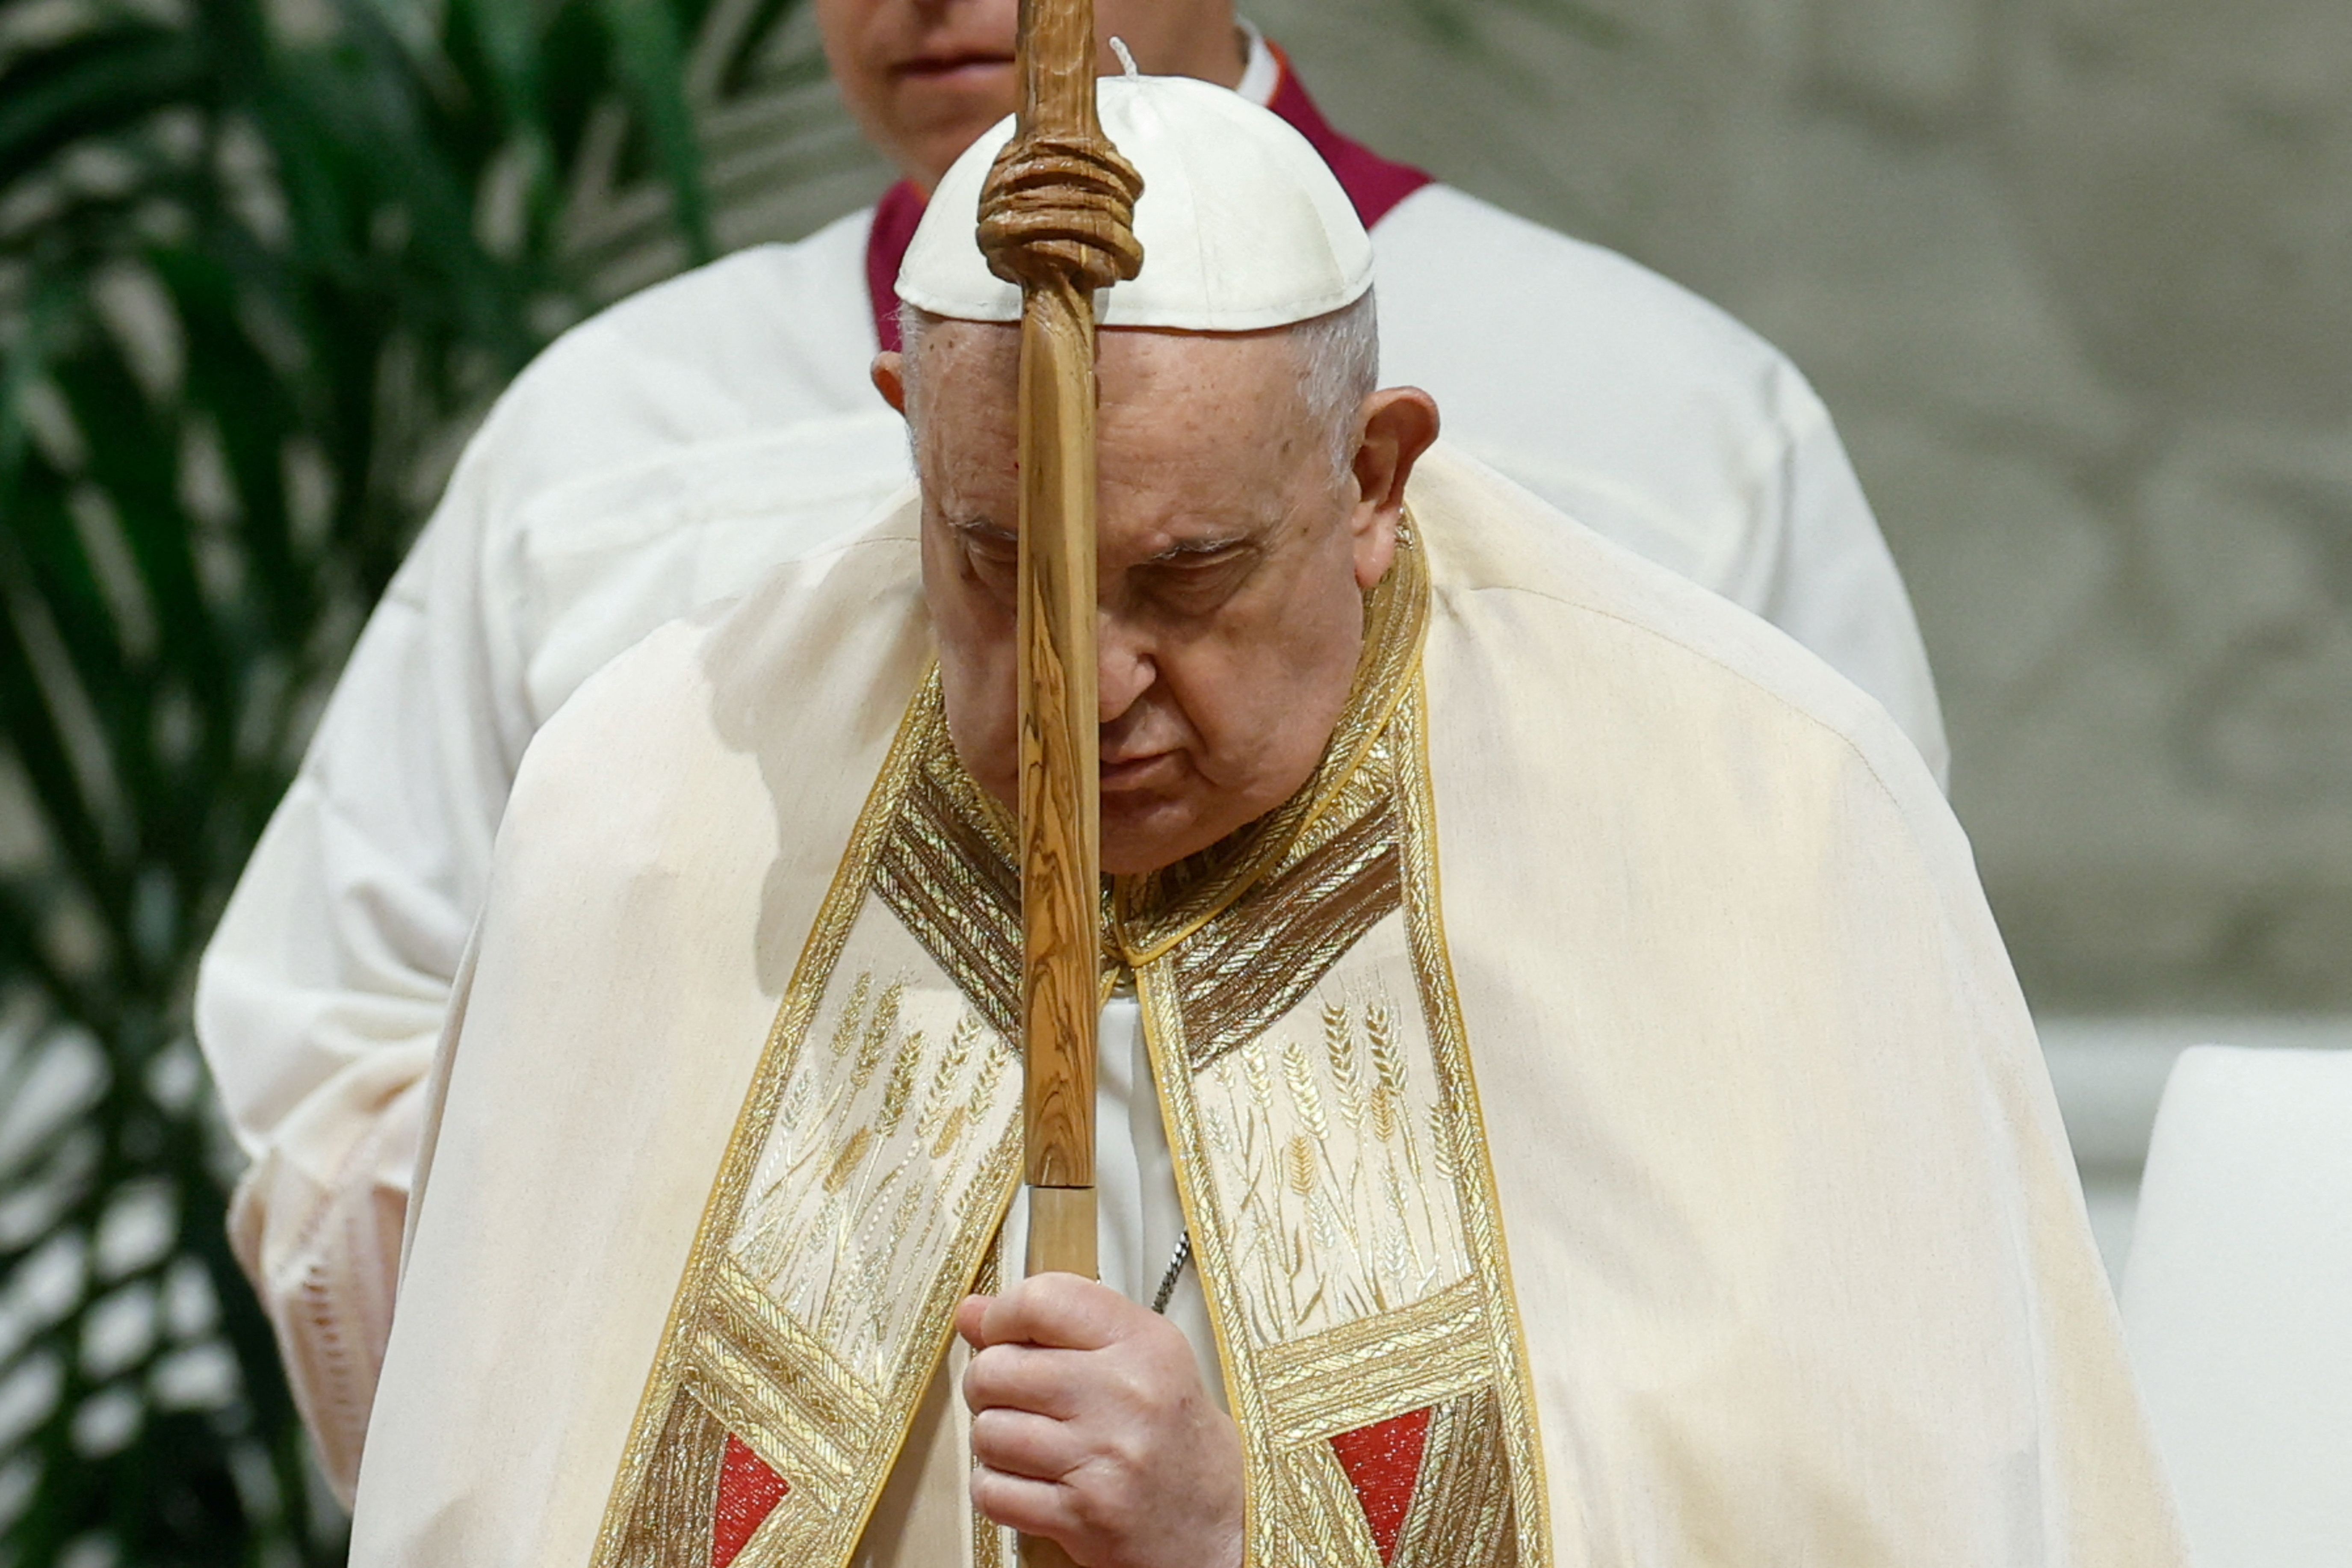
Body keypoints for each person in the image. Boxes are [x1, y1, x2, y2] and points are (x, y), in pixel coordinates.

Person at [346, 76, 2175, 1568]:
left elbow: (1864, 1504)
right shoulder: (662, 798)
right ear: (906, 433)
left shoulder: (1755, 804)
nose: (1088, 690)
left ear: (1372, 475)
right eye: (995, 566)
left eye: (1187, 575)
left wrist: (1244, 1533)